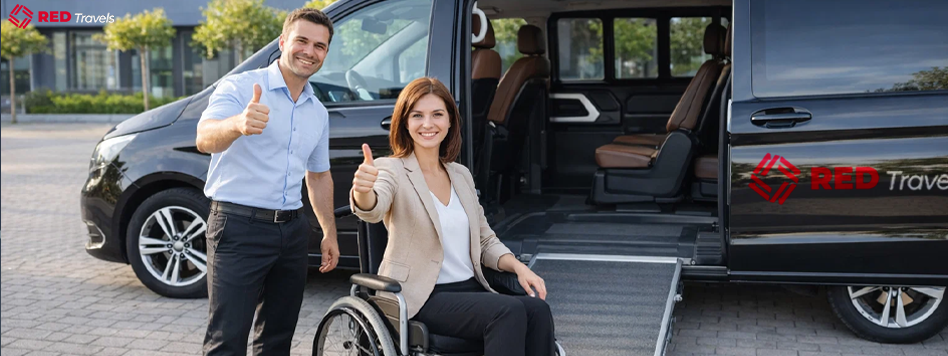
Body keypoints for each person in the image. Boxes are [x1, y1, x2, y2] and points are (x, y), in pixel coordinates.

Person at [350, 77, 555, 356]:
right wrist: (363, 190)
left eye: (437, 114)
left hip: (470, 290)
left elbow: (485, 240)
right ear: (405, 123)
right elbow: (372, 207)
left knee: (537, 309)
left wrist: (518, 267)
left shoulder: (460, 175)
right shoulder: (391, 169)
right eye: (417, 115)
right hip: (423, 295)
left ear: (449, 122)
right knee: (507, 311)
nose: (427, 124)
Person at [194, 8, 337, 356]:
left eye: (319, 46)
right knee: (227, 341)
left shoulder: (317, 110)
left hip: (291, 232)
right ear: (283, 41)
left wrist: (329, 232)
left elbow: (318, 175)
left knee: (276, 340)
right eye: (302, 41)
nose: (309, 51)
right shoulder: (241, 87)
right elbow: (204, 137)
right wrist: (237, 124)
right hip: (238, 228)